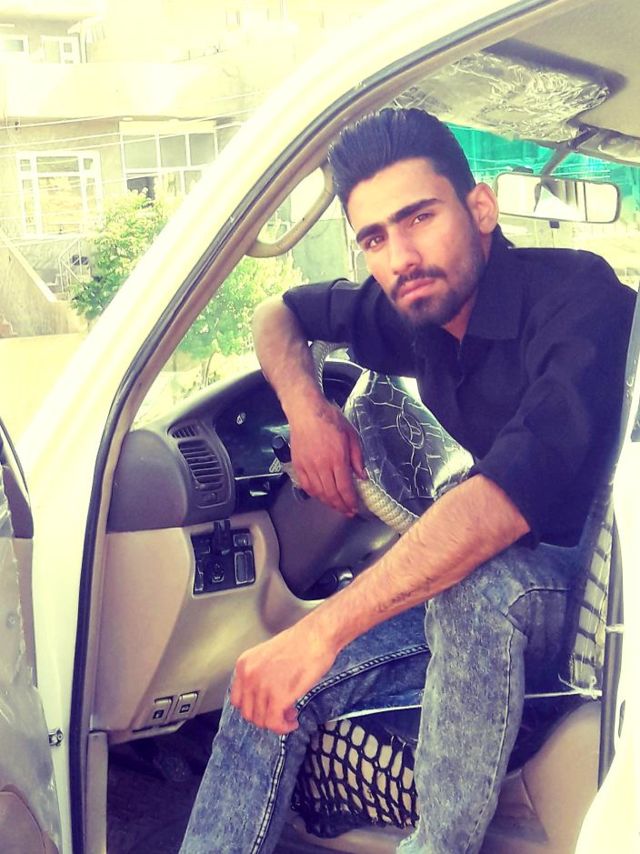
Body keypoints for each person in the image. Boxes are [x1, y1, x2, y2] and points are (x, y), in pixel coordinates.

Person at [181, 108, 635, 854]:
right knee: (265, 682)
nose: (400, 256)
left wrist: (322, 631)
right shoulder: (416, 307)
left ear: (480, 209)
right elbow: (276, 313)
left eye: (419, 218)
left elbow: (502, 504)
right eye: (374, 238)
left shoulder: (578, 298)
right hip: (501, 584)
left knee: (475, 587)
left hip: (598, 594)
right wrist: (308, 412)